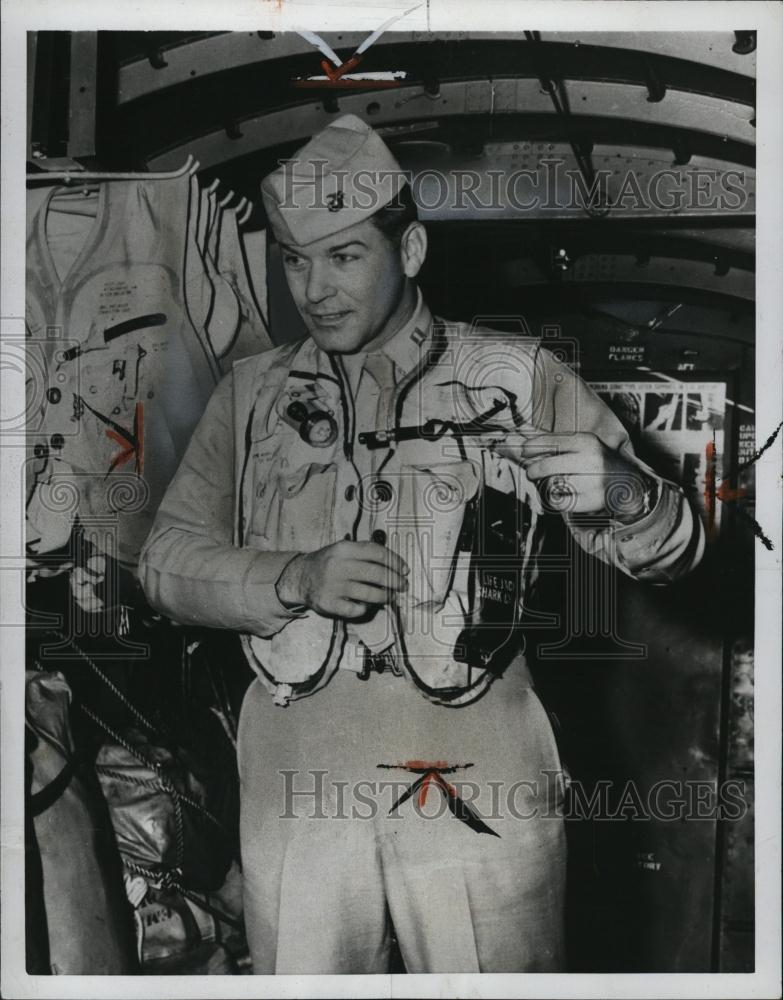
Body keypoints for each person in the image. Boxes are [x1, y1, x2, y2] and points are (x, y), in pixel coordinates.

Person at [139, 114, 704, 974]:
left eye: (343, 256)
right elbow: (165, 566)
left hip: (479, 763)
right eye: (295, 261)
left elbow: (674, 549)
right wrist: (291, 577)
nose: (314, 289)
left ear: (407, 252)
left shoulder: (516, 377)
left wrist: (624, 490)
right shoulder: (249, 396)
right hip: (299, 775)